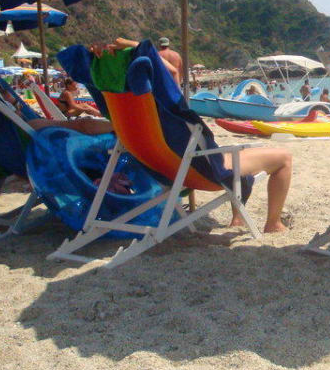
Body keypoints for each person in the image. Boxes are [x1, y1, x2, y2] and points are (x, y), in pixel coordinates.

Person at [89, 39, 294, 233]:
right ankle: (273, 224)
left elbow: (165, 72)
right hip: (201, 170)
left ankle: (238, 219)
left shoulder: (130, 114)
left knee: (235, 160)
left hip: (164, 168)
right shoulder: (169, 112)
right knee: (283, 158)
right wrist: (137, 46)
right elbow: (171, 71)